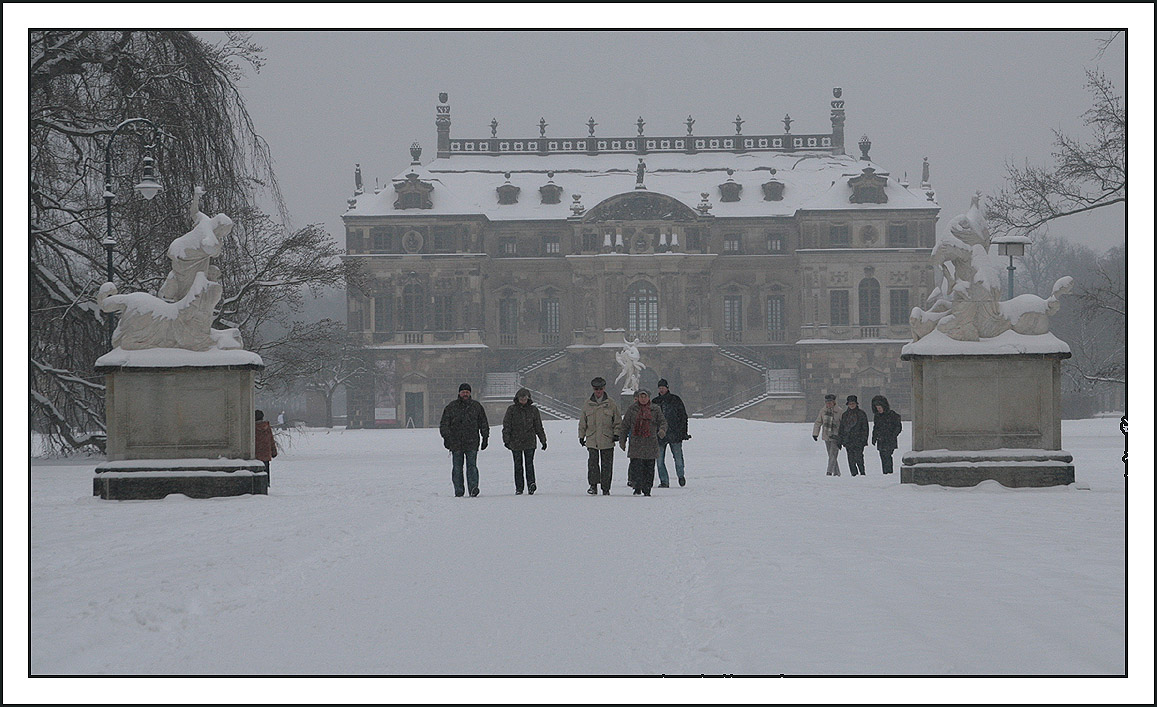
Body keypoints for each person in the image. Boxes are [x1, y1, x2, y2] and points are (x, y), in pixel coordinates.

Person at [439, 383, 489, 497]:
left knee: (472, 467)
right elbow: (444, 424)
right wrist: (446, 437)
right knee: (457, 468)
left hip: (472, 442)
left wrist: (485, 437)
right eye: (463, 392)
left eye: (467, 392)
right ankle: (459, 490)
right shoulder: (451, 407)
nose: (465, 394)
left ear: (470, 393)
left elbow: (483, 423)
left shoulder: (476, 406)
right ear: (459, 393)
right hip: (456, 442)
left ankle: (473, 488)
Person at [578, 376, 621, 495]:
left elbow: (617, 421)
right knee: (592, 464)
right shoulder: (588, 404)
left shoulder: (611, 403)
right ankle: (593, 485)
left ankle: (606, 487)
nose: (598, 391)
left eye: (600, 389)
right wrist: (581, 436)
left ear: (604, 388)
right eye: (596, 389)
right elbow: (583, 422)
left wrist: (616, 434)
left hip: (607, 438)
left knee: (607, 465)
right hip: (592, 439)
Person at [620, 389, 667, 496]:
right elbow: (625, 426)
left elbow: (663, 421)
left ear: (649, 398)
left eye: (645, 396)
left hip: (650, 442)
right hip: (636, 443)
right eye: (641, 396)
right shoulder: (632, 409)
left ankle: (647, 488)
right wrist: (622, 440)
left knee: (649, 468)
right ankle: (637, 487)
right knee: (636, 467)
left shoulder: (655, 409)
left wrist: (662, 430)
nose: (643, 399)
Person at [502, 387, 548, 495]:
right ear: (517, 399)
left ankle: (531, 484)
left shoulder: (533, 410)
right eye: (521, 398)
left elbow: (538, 426)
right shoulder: (511, 410)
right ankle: (519, 487)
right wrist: (506, 440)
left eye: (525, 398)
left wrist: (543, 440)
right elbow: (507, 425)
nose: (523, 400)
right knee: (518, 466)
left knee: (529, 464)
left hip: (529, 441)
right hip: (515, 442)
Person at [653, 379, 690, 487]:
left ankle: (680, 475)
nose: (661, 389)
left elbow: (683, 416)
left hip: (675, 434)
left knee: (678, 459)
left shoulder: (675, 400)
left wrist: (683, 432)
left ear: (667, 388)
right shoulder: (655, 402)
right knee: (659, 461)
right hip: (660, 435)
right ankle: (664, 481)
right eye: (660, 388)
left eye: (663, 387)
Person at [836, 394, 869, 476]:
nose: (851, 405)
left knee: (859, 458)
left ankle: (862, 473)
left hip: (858, 440)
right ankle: (854, 474)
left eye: (853, 404)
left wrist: (863, 439)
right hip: (848, 440)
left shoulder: (861, 414)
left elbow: (865, 428)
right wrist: (840, 440)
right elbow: (842, 428)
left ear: (856, 404)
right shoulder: (845, 415)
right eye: (850, 404)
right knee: (851, 459)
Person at [811, 393, 843, 476]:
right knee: (831, 455)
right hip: (826, 436)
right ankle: (837, 472)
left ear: (834, 402)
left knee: (833, 454)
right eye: (827, 402)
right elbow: (818, 422)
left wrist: (841, 436)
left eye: (830, 402)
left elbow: (843, 425)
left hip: (836, 436)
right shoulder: (823, 411)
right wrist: (815, 434)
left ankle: (829, 472)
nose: (828, 404)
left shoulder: (839, 411)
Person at [870, 395, 903, 475]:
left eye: (880, 407)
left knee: (888, 456)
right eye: (877, 408)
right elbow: (876, 427)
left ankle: (889, 472)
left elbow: (898, 426)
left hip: (889, 439)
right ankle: (885, 472)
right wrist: (874, 437)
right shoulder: (877, 416)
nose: (879, 409)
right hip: (881, 439)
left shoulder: (892, 415)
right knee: (882, 456)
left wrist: (893, 435)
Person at [254, 409, 277, 485]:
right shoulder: (267, 427)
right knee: (265, 469)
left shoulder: (252, 428)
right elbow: (271, 439)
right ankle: (266, 483)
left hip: (256, 453)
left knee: (256, 471)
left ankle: (257, 485)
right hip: (265, 453)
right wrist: (273, 451)